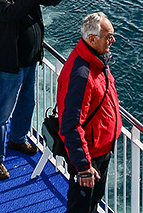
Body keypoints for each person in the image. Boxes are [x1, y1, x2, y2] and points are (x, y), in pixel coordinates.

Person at [0, 0, 64, 179]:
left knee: (28, 103)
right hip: (11, 64)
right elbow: (12, 13)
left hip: (30, 60)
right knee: (3, 112)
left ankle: (18, 139)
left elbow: (48, 1)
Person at [58, 12, 122, 213]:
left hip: (99, 149)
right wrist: (84, 166)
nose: (112, 40)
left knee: (92, 203)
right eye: (108, 36)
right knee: (81, 207)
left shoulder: (96, 61)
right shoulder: (82, 74)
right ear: (92, 39)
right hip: (89, 156)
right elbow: (71, 124)